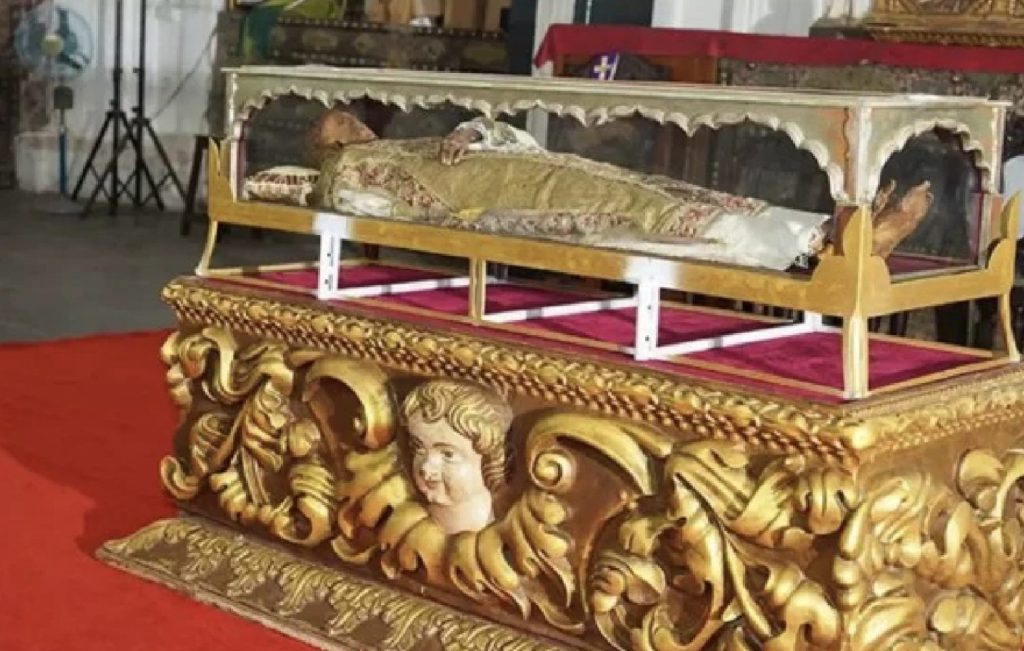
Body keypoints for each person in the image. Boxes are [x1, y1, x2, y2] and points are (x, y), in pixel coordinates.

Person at [302, 108, 932, 270]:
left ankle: (830, 227)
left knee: (677, 194)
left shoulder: (404, 141)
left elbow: (502, 133)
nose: (356, 126)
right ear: (327, 150)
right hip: (516, 201)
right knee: (664, 220)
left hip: (542, 169)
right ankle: (821, 248)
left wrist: (470, 132)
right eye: (341, 128)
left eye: (351, 119)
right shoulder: (347, 173)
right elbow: (363, 206)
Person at [401, 380, 512, 535]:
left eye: (448, 454)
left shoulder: (489, 535)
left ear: (489, 461)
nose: (426, 467)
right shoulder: (408, 521)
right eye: (419, 448)